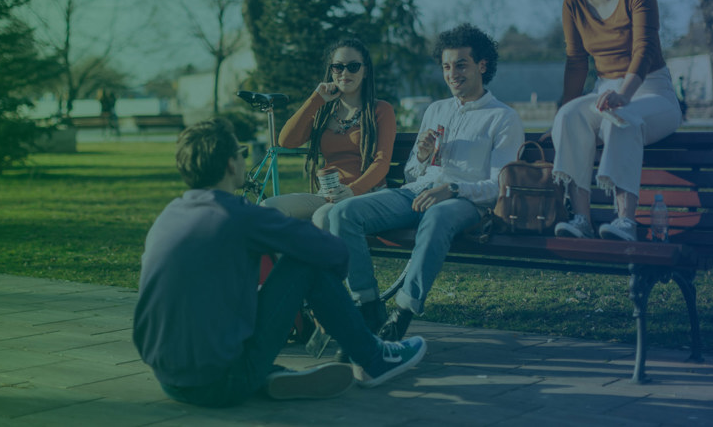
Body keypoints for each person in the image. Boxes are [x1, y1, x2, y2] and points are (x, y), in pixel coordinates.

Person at [133, 118, 427, 408]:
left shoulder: (169, 215)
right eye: (242, 153)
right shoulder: (239, 216)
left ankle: (270, 374)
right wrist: (327, 300)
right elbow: (334, 252)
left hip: (169, 378)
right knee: (307, 265)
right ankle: (373, 358)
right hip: (223, 381)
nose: (244, 160)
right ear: (231, 164)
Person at [327, 24, 525, 340]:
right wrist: (420, 156)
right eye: (446, 66)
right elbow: (410, 175)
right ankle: (367, 307)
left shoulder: (503, 117)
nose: (452, 74)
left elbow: (498, 186)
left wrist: (454, 189)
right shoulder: (436, 109)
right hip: (417, 193)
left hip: (465, 203)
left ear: (482, 66)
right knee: (342, 214)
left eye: (461, 64)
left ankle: (402, 312)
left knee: (437, 215)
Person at [547, 0, 682, 242]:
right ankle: (581, 218)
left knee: (620, 120)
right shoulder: (572, 3)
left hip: (651, 91)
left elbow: (644, 49)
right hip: (604, 90)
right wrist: (564, 114)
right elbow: (576, 62)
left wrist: (625, 94)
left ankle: (625, 222)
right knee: (568, 117)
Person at [262, 39, 395, 230]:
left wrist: (352, 190)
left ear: (365, 71)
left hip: (367, 195)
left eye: (353, 66)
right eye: (338, 67)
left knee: (324, 217)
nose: (345, 73)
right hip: (326, 195)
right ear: (331, 70)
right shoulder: (324, 112)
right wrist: (316, 99)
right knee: (268, 210)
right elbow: (286, 141)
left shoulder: (380, 110)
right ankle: (290, 261)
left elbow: (382, 163)